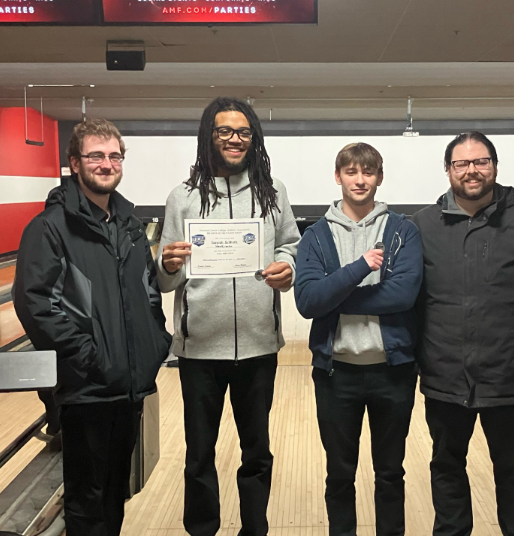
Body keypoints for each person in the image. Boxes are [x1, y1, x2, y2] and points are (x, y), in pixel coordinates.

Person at [13, 118, 172, 536]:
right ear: (74, 162)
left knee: (115, 494)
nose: (106, 163)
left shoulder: (130, 226)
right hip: (86, 390)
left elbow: (148, 292)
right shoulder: (49, 228)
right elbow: (36, 305)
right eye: (96, 155)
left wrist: (155, 343)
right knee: (86, 505)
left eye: (114, 155)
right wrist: (89, 359)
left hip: (129, 385)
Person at [412, 131, 514, 536]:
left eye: (480, 162)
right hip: (445, 375)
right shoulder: (423, 226)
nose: (472, 171)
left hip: (511, 374)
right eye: (462, 164)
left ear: (495, 167)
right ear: (448, 170)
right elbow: (410, 300)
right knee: (446, 467)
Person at [156, 97, 300, 536]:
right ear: (209, 136)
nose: (234, 140)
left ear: (253, 138)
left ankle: (255, 529)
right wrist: (168, 266)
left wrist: (287, 267)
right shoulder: (182, 198)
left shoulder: (272, 194)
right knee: (199, 452)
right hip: (200, 348)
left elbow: (290, 245)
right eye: (224, 131)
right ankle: (202, 529)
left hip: (258, 345)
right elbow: (164, 281)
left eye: (243, 132)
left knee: (257, 451)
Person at [295, 143, 423, 536]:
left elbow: (403, 295)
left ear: (379, 178)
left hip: (393, 371)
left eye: (368, 172)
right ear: (338, 177)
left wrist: (335, 295)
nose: (360, 179)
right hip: (337, 375)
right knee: (339, 475)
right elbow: (307, 301)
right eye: (351, 172)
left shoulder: (403, 230)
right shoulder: (315, 236)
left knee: (389, 473)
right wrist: (357, 269)